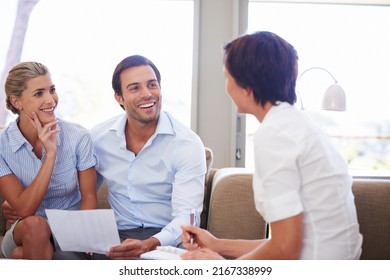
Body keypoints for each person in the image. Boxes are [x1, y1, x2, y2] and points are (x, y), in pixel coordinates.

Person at [180, 31, 363, 260]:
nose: (226, 88)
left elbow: (286, 249)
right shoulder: (297, 124)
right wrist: (217, 245)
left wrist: (222, 269)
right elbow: (291, 240)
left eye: (228, 78)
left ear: (246, 85)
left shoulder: (275, 135)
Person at [54, 55, 206, 260]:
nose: (147, 94)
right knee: (63, 255)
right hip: (116, 238)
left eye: (152, 85)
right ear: (119, 97)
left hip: (166, 240)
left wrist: (148, 244)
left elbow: (187, 218)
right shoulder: (99, 138)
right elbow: (78, 189)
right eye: (135, 88)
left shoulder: (187, 144)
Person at [0, 61, 97, 259]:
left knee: (21, 256)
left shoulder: (78, 136)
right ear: (17, 102)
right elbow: (25, 209)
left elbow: (89, 196)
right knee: (35, 225)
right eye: (39, 93)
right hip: (26, 230)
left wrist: (86, 234)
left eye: (52, 90)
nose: (51, 100)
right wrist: (50, 155)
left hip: (70, 231)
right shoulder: (3, 145)